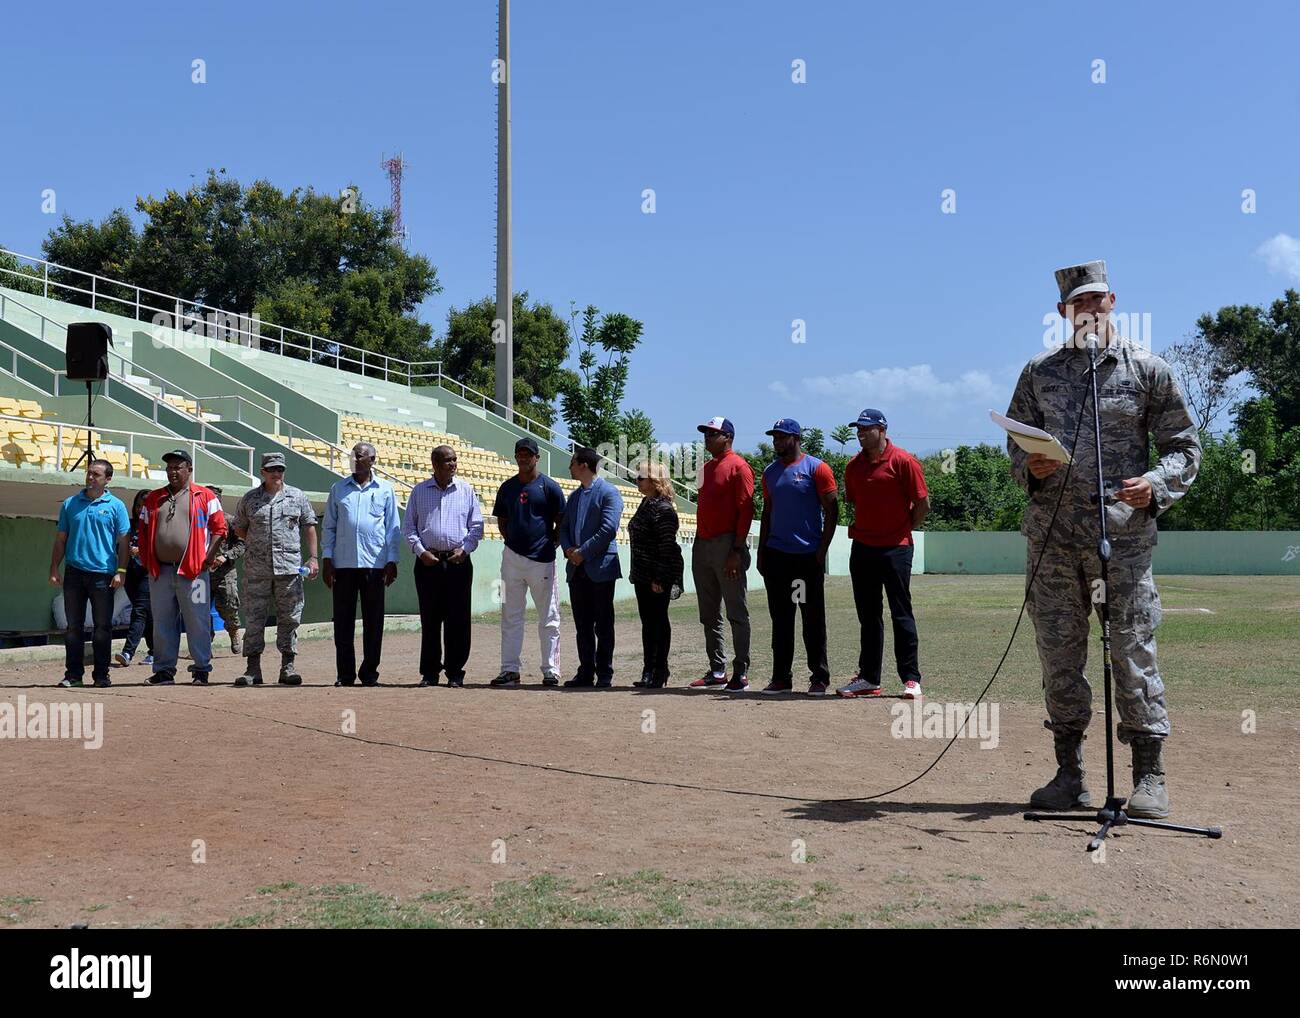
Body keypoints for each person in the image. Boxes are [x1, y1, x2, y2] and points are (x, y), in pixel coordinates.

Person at [1006, 259, 1200, 819]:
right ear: (1062, 312)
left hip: (1124, 540)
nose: (1088, 310)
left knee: (1134, 651)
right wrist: (1029, 467)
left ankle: (1149, 777)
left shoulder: (1147, 371)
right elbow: (1016, 444)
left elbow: (1185, 448)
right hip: (1053, 540)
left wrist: (1156, 483)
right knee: (1059, 657)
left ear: (1113, 301)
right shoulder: (1039, 372)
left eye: (1096, 300)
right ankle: (1070, 776)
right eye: (1077, 303)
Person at [835, 409, 929, 700]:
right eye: (858, 429)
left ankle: (911, 679)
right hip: (862, 548)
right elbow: (855, 503)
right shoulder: (853, 467)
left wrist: (900, 531)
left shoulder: (903, 461)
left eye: (867, 428)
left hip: (896, 549)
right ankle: (869, 678)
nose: (861, 433)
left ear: (882, 429)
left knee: (901, 613)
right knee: (869, 616)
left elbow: (922, 504)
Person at [757, 419, 838, 696]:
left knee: (811, 619)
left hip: (806, 558)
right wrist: (762, 551)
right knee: (781, 620)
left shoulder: (817, 468)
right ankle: (781, 677)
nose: (776, 442)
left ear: (795, 438)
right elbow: (767, 513)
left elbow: (832, 510)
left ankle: (819, 677)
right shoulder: (770, 473)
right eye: (774, 438)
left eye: (781, 437)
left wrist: (822, 549)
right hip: (778, 557)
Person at [135, 450, 227, 685]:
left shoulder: (205, 496)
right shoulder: (153, 498)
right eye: (169, 468)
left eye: (178, 467)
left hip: (194, 572)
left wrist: (208, 558)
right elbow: (143, 530)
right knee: (162, 621)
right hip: (160, 571)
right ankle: (164, 671)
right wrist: (147, 560)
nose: (172, 472)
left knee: (197, 620)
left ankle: (201, 669)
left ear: (189, 469)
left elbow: (220, 529)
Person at [231, 452, 319, 687]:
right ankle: (253, 669)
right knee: (254, 618)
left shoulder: (297, 497)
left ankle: (287, 667)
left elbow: (309, 526)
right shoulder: (250, 499)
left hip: (288, 570)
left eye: (280, 469)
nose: (276, 473)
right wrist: (257, 543)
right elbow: (239, 528)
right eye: (272, 470)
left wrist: (313, 558)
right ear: (263, 472)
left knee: (289, 618)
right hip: (257, 570)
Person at [402, 444, 483, 688]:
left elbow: (476, 526)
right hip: (428, 563)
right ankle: (429, 672)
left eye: (455, 460)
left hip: (458, 562)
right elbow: (409, 528)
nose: (453, 464)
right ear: (435, 464)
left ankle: (456, 672)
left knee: (458, 619)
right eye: (448, 460)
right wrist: (421, 552)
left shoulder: (466, 490)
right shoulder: (419, 491)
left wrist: (465, 549)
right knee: (430, 619)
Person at [323, 443, 401, 687]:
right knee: (343, 622)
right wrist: (327, 559)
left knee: (374, 623)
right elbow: (329, 527)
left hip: (375, 564)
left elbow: (392, 529)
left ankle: (369, 673)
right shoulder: (338, 489)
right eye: (352, 455)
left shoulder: (385, 490)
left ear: (372, 460)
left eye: (360, 455)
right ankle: (344, 675)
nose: (354, 459)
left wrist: (392, 560)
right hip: (343, 565)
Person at [491, 437, 566, 688]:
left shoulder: (550, 487)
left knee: (549, 617)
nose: (523, 458)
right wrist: (514, 542)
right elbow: (502, 522)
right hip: (511, 558)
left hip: (542, 560)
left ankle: (551, 670)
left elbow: (561, 521)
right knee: (510, 615)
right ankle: (510, 669)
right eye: (519, 454)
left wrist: (550, 543)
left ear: (537, 457)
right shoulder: (507, 487)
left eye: (528, 454)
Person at [687, 416, 754, 693]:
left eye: (713, 434)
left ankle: (741, 672)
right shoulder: (705, 468)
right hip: (702, 544)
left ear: (728, 437)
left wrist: (736, 551)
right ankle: (717, 670)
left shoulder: (739, 467)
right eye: (706, 433)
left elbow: (746, 511)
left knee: (736, 612)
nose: (707, 438)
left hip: (728, 545)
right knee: (709, 613)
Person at [49, 459, 130, 688]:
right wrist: (54, 567)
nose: (90, 477)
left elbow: (123, 543)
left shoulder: (116, 506)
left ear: (108, 479)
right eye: (89, 473)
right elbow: (60, 539)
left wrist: (120, 571)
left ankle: (101, 675)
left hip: (103, 575)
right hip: (74, 573)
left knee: (102, 627)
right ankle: (73, 675)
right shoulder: (70, 504)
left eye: (96, 474)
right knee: (73, 627)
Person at [559, 447, 624, 688]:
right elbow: (564, 527)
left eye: (573, 463)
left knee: (603, 624)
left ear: (584, 465)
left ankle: (604, 672)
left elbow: (608, 529)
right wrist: (568, 551)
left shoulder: (609, 493)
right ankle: (586, 671)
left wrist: (582, 553)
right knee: (582, 625)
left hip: (600, 568)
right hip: (577, 569)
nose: (570, 468)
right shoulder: (574, 496)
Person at [627, 460, 683, 688]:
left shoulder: (663, 508)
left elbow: (667, 546)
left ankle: (660, 670)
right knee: (648, 623)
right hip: (642, 573)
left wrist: (660, 578)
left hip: (657, 576)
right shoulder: (646, 503)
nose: (637, 481)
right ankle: (649, 669)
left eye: (641, 477)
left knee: (658, 622)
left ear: (654, 481)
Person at [114, 489, 154, 669]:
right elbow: (119, 546)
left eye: (144, 506)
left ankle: (127, 652)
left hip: (148, 573)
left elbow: (162, 548)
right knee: (146, 614)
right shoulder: (129, 525)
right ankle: (155, 651)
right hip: (130, 572)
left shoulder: (157, 525)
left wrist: (142, 551)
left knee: (139, 611)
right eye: (138, 506)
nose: (140, 510)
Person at [206, 486, 244, 655]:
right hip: (202, 572)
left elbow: (242, 544)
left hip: (224, 572)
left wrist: (226, 556)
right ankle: (205, 641)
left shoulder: (230, 520)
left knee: (229, 605)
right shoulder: (198, 521)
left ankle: (234, 632)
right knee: (200, 609)